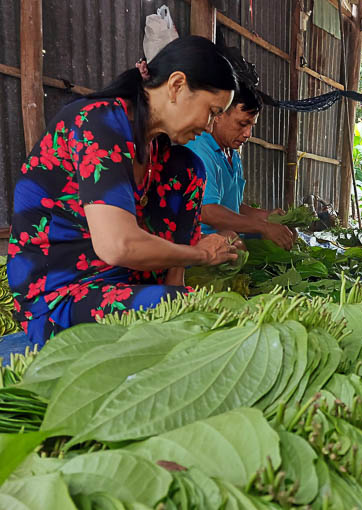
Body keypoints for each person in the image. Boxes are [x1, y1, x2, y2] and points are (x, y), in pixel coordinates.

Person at [8, 36, 240, 345]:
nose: (210, 126)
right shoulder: (98, 123)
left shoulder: (159, 151)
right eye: (212, 111)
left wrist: (178, 285)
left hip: (123, 281)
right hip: (61, 295)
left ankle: (172, 292)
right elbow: (117, 246)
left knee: (188, 167)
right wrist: (200, 253)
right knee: (187, 313)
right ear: (176, 86)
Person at [186, 53, 295, 251]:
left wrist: (266, 216)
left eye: (251, 126)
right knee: (233, 241)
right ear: (218, 114)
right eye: (242, 124)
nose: (247, 134)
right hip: (197, 243)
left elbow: (231, 207)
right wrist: (262, 226)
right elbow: (207, 211)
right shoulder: (199, 148)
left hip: (225, 237)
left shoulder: (231, 153)